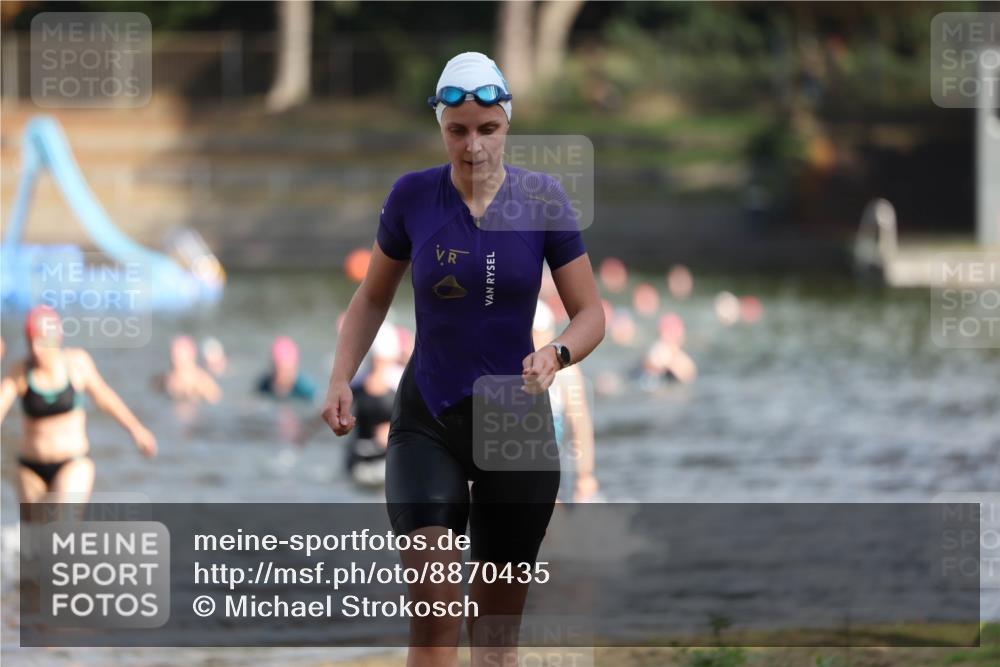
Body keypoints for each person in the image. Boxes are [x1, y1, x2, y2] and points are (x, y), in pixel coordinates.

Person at [321, 51, 605, 666]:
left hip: (514, 422)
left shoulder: (543, 199)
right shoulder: (412, 197)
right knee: (435, 608)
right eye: (458, 131)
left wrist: (555, 354)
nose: (473, 145)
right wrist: (341, 374)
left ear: (507, 123)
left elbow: (591, 316)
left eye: (488, 129)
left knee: (496, 638)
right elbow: (372, 296)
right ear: (440, 127)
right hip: (430, 417)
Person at [0, 306, 157, 511]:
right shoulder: (20, 371)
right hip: (29, 467)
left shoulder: (76, 364)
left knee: (63, 523)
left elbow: (105, 398)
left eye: (42, 341)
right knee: (35, 538)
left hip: (72, 463)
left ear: (56, 338)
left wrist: (136, 430)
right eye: (31, 342)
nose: (37, 350)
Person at [531, 300, 600, 503]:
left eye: (535, 333)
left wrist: (585, 476)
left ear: (547, 333)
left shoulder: (567, 373)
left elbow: (581, 424)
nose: (532, 339)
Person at [344, 323, 402, 486]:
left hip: (388, 461)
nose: (379, 366)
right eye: (376, 361)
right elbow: (329, 412)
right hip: (358, 461)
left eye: (383, 362)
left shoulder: (401, 384)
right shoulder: (357, 384)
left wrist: (393, 430)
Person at [155, 335, 221, 404]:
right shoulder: (165, 380)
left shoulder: (203, 382)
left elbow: (215, 399)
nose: (175, 358)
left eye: (179, 353)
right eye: (174, 354)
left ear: (192, 355)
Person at [257, 335, 316, 401]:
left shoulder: (305, 389)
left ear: (295, 369)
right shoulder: (264, 385)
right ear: (273, 370)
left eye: (287, 371)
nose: (284, 376)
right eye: (281, 371)